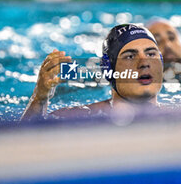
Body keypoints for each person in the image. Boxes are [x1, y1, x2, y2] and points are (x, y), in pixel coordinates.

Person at [21, 24, 164, 121]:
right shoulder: (78, 117)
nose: (145, 63)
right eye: (130, 56)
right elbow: (22, 144)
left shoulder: (180, 117)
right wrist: (39, 98)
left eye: (151, 54)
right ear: (108, 70)